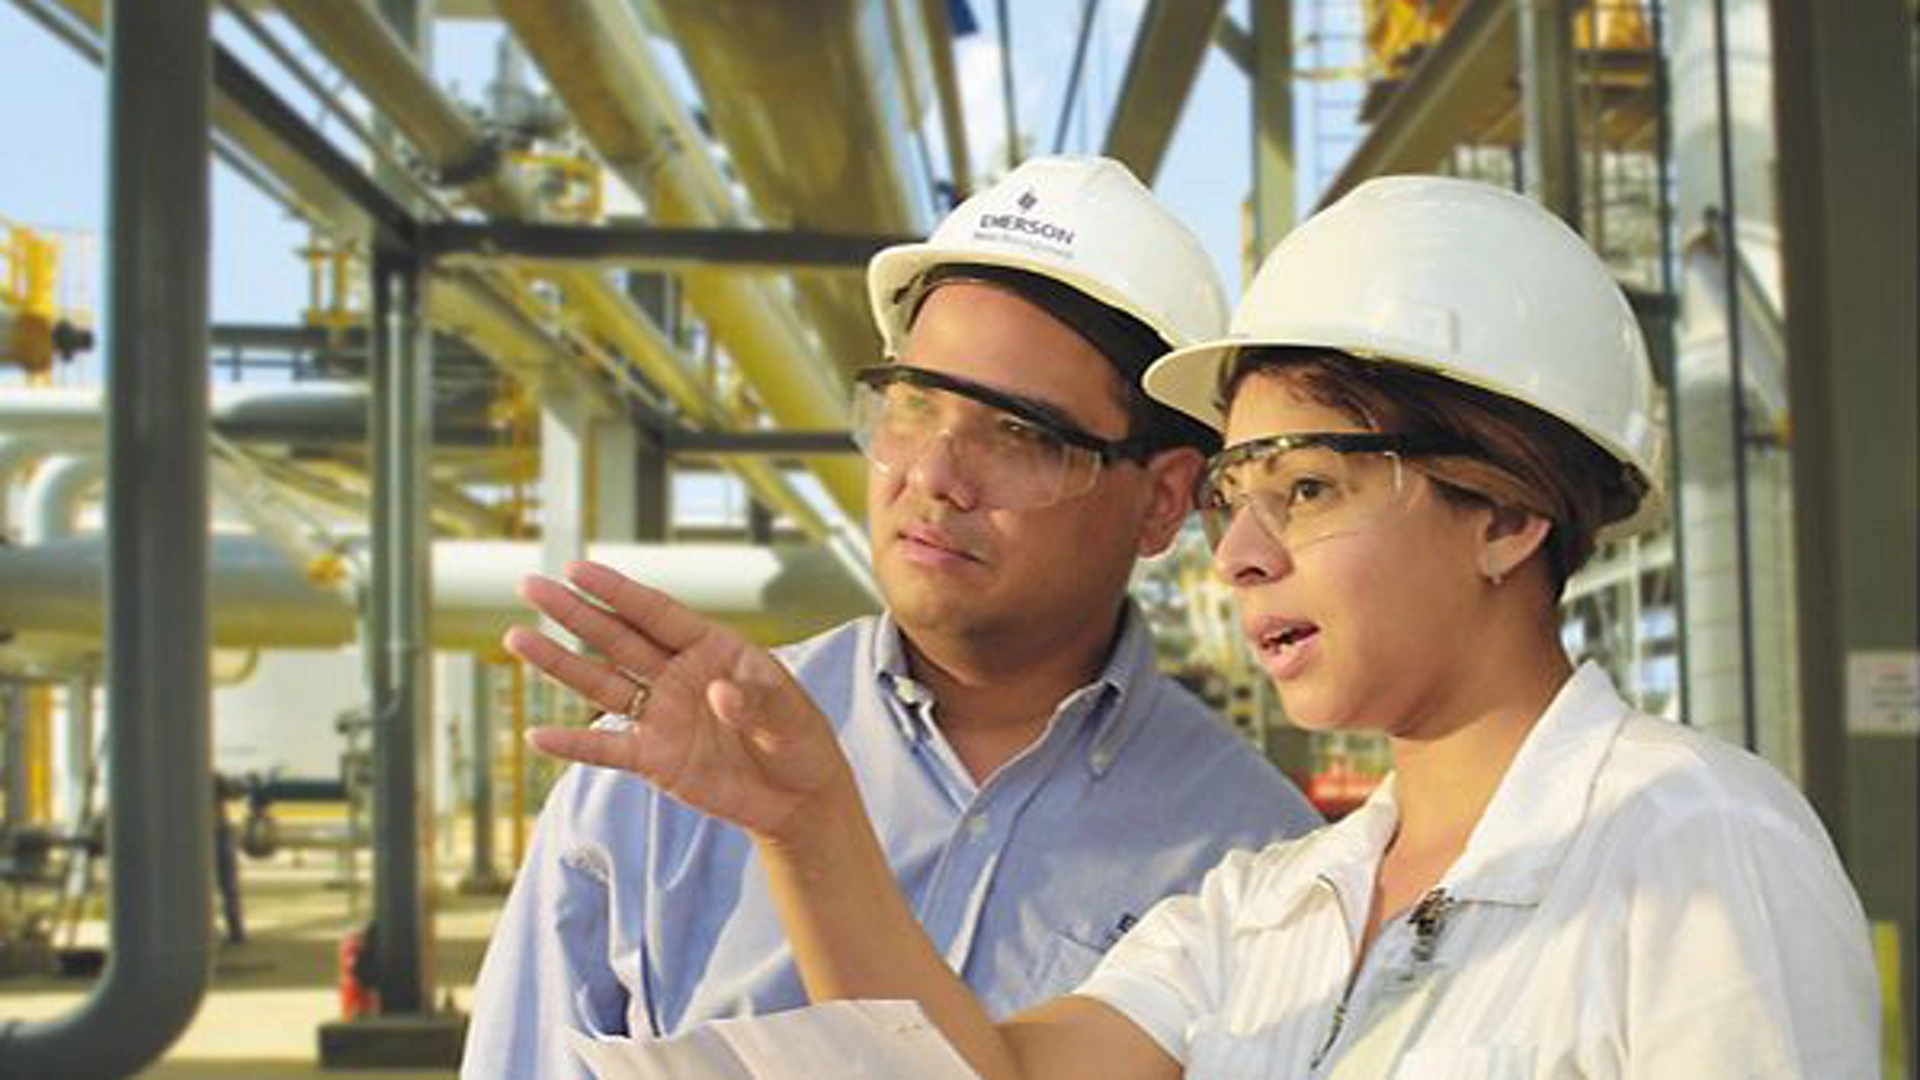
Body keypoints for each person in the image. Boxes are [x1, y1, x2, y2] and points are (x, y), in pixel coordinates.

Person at [513, 175, 1880, 1078]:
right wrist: (812, 827)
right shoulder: (1275, 904)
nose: (1239, 553)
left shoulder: (1694, 846)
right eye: (1237, 493)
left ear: (1509, 517)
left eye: (1308, 489)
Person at [462, 155, 1321, 1077]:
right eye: (912, 407)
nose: (933, 477)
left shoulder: (1262, 866)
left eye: (1019, 433)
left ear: (1162, 500)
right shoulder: (659, 782)